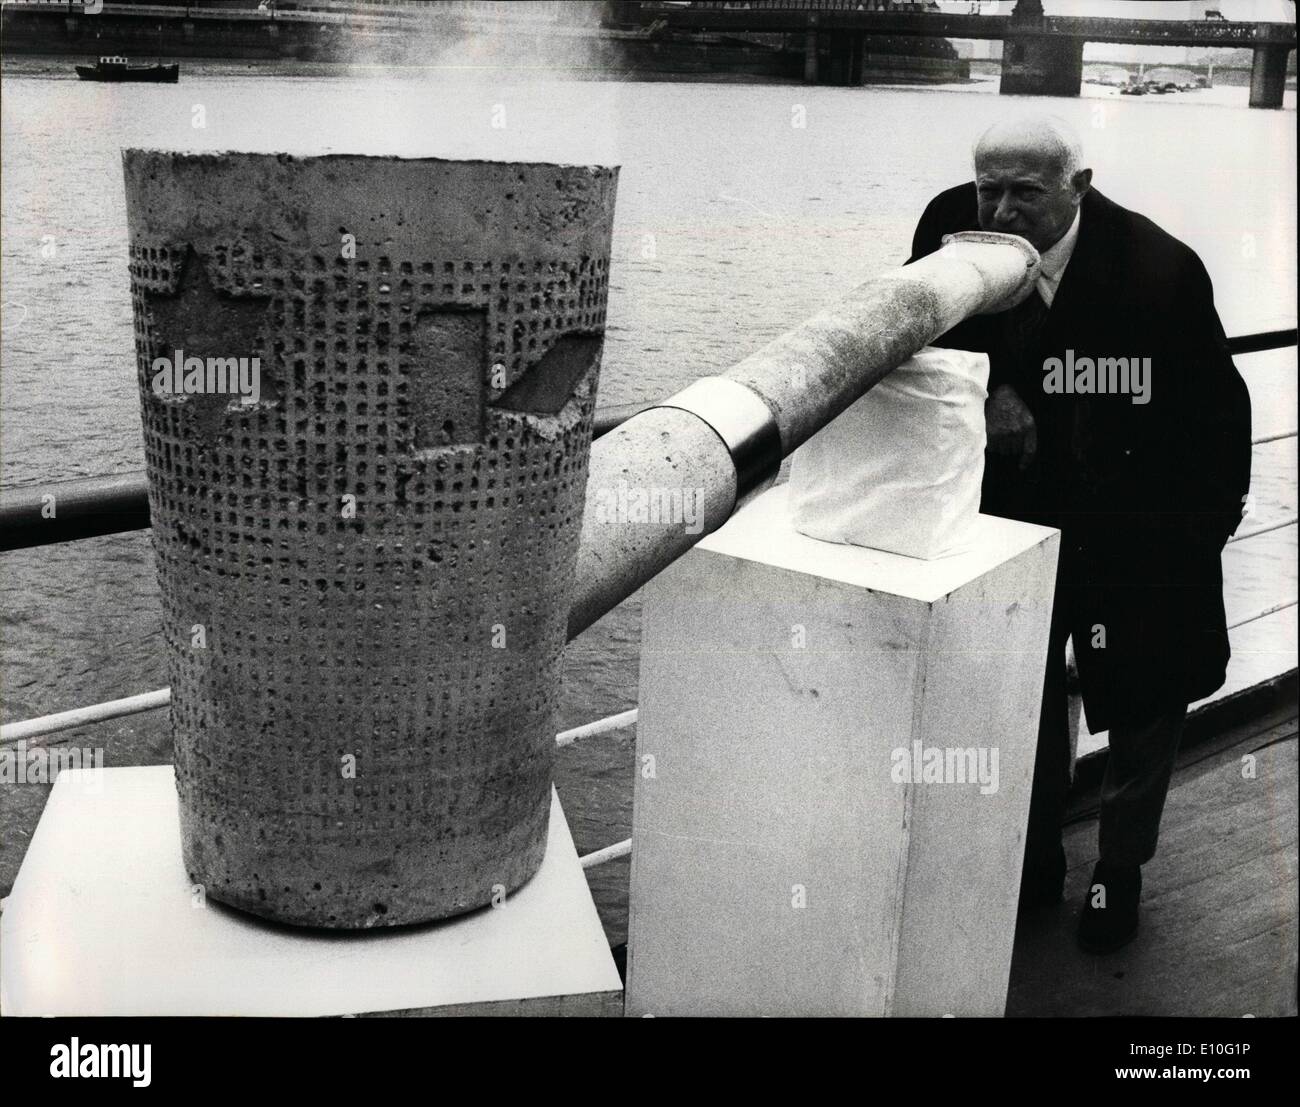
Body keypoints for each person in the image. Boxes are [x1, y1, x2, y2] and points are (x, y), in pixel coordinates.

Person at [907, 114, 1252, 953]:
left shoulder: (1157, 267)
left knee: (1145, 702)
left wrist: (1203, 531)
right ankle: (1031, 861)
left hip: (1137, 520)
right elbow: (921, 343)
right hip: (1014, 517)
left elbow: (1215, 406)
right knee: (1014, 689)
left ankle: (1119, 869)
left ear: (1080, 187)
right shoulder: (948, 224)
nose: (1000, 209)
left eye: (1026, 192)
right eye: (990, 186)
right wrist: (989, 388)